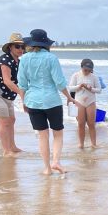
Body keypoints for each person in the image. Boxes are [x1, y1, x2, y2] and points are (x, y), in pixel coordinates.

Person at [17, 29, 74, 175]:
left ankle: (47, 168)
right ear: (45, 43)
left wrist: (23, 101)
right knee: (58, 133)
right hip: (52, 101)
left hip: (32, 101)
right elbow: (60, 82)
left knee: (42, 136)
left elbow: (22, 84)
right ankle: (56, 161)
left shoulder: (24, 59)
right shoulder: (51, 58)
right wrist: (69, 97)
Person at [68, 58, 101, 149]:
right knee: (81, 124)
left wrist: (90, 89)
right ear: (81, 67)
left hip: (91, 102)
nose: (87, 72)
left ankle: (93, 144)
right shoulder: (76, 75)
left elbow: (99, 90)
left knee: (91, 124)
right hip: (79, 101)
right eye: (85, 70)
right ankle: (81, 144)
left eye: (89, 70)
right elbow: (70, 88)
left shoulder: (94, 77)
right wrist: (80, 86)